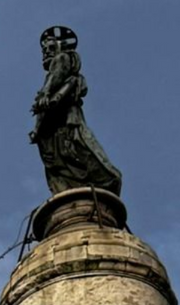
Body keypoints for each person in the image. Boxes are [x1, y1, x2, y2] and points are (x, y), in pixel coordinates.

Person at [28, 25, 122, 196]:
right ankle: (76, 190)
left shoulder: (63, 59)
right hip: (54, 126)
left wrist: (47, 94)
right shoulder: (57, 75)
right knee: (61, 159)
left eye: (50, 48)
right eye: (44, 50)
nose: (46, 53)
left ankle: (99, 187)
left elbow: (56, 77)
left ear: (60, 47)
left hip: (67, 121)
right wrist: (36, 129)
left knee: (81, 152)